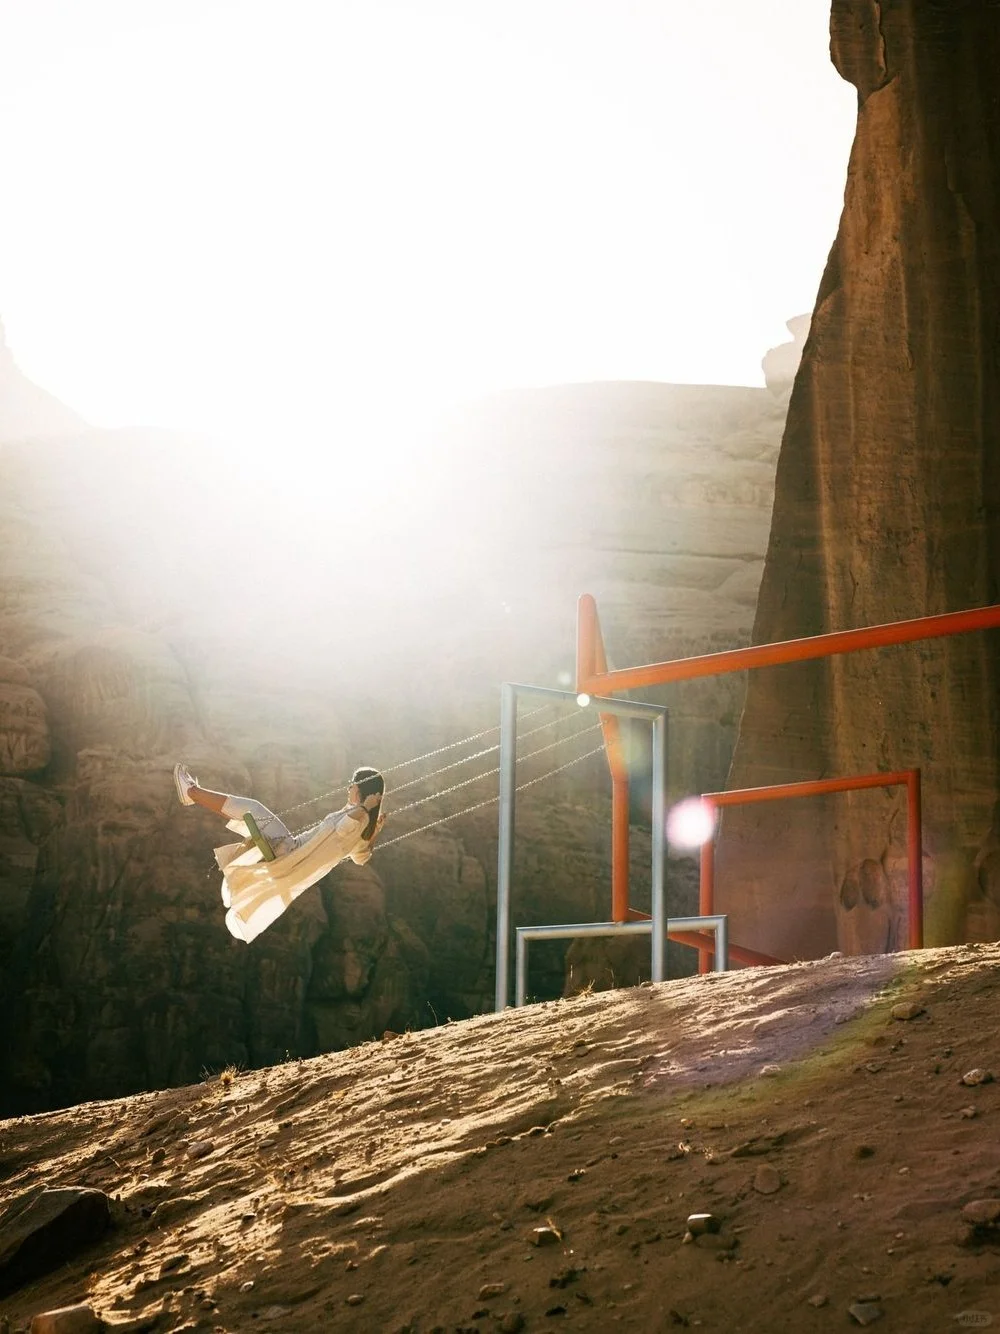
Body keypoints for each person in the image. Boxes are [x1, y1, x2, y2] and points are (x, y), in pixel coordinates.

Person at [173, 762, 385, 944]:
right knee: (250, 813)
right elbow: (360, 856)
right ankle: (193, 793)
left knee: (253, 809)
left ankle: (192, 792)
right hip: (291, 849)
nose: (349, 788)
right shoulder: (359, 818)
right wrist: (374, 832)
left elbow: (344, 830)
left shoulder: (359, 817)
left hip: (290, 854)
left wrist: (366, 809)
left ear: (360, 789)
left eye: (352, 784)